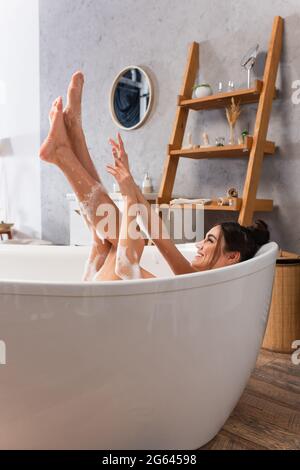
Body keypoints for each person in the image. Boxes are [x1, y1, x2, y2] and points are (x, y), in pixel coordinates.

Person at [39, 72, 270, 281]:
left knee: (126, 240)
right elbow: (158, 233)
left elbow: (125, 269)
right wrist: (130, 183)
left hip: (92, 307)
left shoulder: (196, 286)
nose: (199, 244)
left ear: (232, 257)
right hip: (92, 300)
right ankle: (73, 136)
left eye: (209, 241)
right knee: (111, 238)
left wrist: (130, 199)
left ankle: (63, 152)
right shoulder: (191, 278)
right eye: (205, 238)